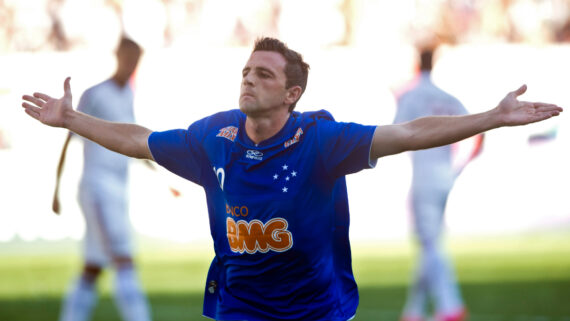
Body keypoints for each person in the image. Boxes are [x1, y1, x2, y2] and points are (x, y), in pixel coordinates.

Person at [21, 37, 562, 321]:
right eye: (246, 71)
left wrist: (491, 117)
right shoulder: (213, 136)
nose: (248, 80)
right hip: (240, 307)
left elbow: (411, 132)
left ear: (291, 94)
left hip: (315, 310)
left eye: (264, 74)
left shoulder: (322, 140)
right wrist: (71, 120)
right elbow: (138, 140)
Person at [51, 37, 152, 321]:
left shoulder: (127, 94)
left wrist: (163, 175)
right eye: (128, 56)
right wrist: (56, 190)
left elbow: (132, 141)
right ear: (118, 55)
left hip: (119, 187)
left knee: (93, 265)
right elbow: (69, 139)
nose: (132, 63)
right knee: (124, 258)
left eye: (136, 58)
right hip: (97, 187)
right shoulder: (95, 94)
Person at [393, 44, 483, 321]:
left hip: (423, 176)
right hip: (446, 175)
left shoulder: (411, 96)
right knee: (429, 243)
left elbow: (394, 133)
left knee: (430, 245)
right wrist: (459, 168)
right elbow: (478, 131)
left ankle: (450, 306)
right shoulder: (448, 98)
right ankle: (414, 310)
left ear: (417, 64)